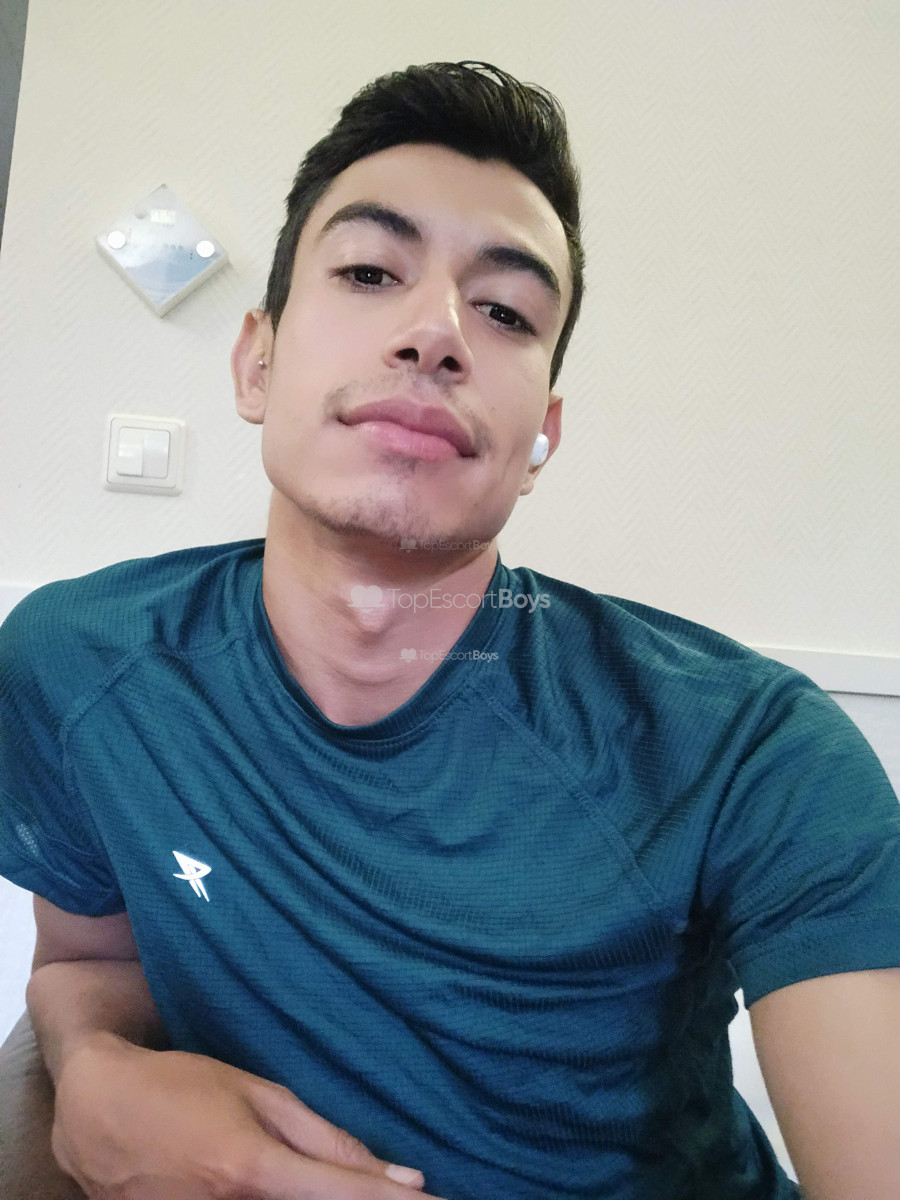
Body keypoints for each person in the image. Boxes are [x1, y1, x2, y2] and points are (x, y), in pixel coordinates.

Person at [1, 59, 898, 1200]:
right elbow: (88, 957)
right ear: (256, 362)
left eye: (506, 312)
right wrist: (94, 1064)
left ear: (540, 440)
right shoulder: (78, 663)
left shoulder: (749, 754)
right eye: (370, 271)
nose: (435, 334)